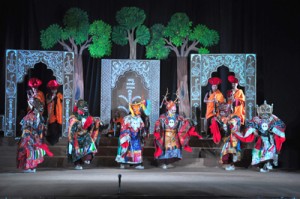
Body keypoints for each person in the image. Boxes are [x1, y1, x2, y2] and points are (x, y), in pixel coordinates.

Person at [153, 92, 202, 169]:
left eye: (175, 110)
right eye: (172, 110)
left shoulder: (177, 117)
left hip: (174, 135)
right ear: (168, 109)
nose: (174, 111)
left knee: (173, 149)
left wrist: (189, 123)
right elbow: (157, 123)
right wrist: (158, 128)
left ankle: (168, 162)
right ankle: (163, 162)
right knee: (164, 149)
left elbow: (184, 122)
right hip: (165, 135)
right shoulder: (163, 116)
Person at [235, 100, 286, 172]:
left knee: (269, 152)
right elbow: (250, 125)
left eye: (267, 111)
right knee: (257, 152)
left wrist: (273, 129)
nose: (265, 114)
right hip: (261, 139)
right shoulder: (256, 119)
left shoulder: (273, 118)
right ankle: (266, 164)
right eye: (263, 111)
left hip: (270, 139)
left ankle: (267, 165)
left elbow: (281, 124)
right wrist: (253, 130)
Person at [17, 97, 53, 173]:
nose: (40, 111)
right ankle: (27, 167)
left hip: (36, 137)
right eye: (38, 109)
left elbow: (41, 128)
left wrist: (42, 131)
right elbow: (24, 127)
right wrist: (30, 135)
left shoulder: (41, 117)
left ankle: (33, 166)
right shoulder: (28, 116)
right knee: (29, 151)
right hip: (28, 137)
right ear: (34, 108)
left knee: (36, 151)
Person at [115, 99, 150, 170]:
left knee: (137, 150)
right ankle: (123, 163)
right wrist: (127, 134)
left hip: (136, 138)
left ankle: (137, 164)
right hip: (129, 137)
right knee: (126, 150)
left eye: (138, 109)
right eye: (136, 109)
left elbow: (142, 127)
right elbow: (123, 128)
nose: (138, 111)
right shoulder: (127, 118)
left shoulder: (139, 118)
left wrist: (143, 132)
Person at [67, 99, 101, 170]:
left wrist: (96, 122)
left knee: (90, 142)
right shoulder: (73, 118)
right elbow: (71, 129)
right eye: (82, 109)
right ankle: (77, 163)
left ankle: (88, 158)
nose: (84, 110)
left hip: (85, 135)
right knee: (76, 148)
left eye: (85, 108)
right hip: (76, 136)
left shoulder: (88, 116)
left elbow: (92, 125)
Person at [209, 102, 242, 171]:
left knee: (231, 152)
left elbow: (233, 124)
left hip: (233, 138)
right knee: (227, 152)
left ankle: (232, 165)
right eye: (221, 112)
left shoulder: (235, 117)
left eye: (224, 112)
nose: (222, 114)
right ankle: (231, 165)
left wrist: (226, 121)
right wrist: (217, 121)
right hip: (227, 138)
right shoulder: (222, 118)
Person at [45, 80, 63, 145]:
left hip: (59, 115)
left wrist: (57, 97)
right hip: (52, 115)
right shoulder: (48, 95)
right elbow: (47, 102)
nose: (54, 90)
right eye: (52, 89)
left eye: (55, 89)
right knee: (53, 129)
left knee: (60, 128)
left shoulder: (59, 95)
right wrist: (52, 98)